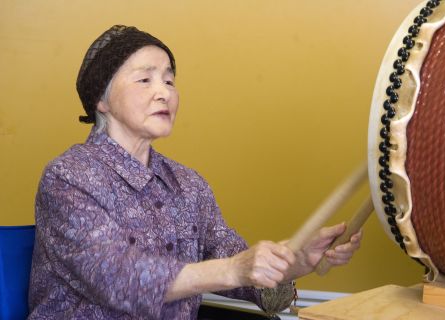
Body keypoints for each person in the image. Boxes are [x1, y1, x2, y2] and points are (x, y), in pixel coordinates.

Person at [28, 25, 362, 319]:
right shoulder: (69, 177)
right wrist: (233, 270)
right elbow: (118, 278)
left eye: (170, 80)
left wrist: (294, 261)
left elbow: (233, 259)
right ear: (101, 99)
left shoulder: (188, 184)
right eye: (145, 79)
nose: (164, 92)